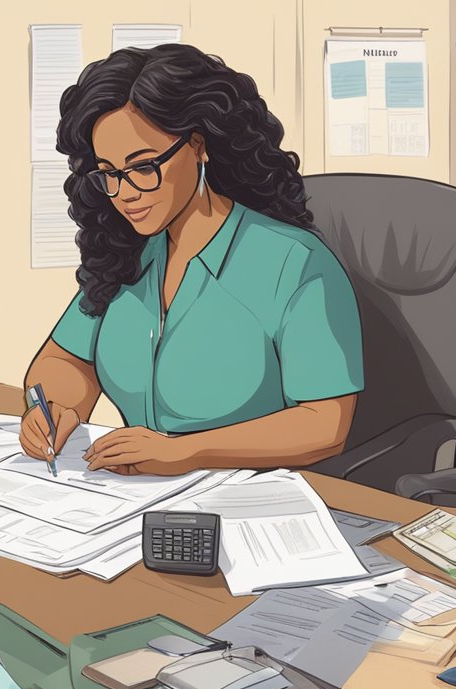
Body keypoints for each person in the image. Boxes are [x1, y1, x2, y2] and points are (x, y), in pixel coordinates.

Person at [21, 43, 364, 476]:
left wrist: (186, 452)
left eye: (143, 166)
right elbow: (63, 360)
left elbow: (326, 423)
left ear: (198, 145)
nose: (125, 193)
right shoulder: (128, 252)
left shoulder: (295, 263)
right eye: (109, 173)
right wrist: (58, 408)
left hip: (251, 503)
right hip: (132, 497)